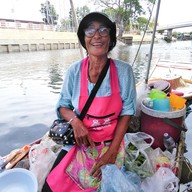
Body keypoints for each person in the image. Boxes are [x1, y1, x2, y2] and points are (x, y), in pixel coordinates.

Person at [42, 12, 136, 192]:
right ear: (83, 39)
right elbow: (63, 105)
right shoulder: (74, 71)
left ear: (110, 38)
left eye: (103, 30)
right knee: (50, 187)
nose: (97, 36)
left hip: (111, 143)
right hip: (79, 143)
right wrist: (75, 121)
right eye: (90, 31)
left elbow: (127, 111)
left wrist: (112, 152)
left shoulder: (124, 71)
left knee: (100, 185)